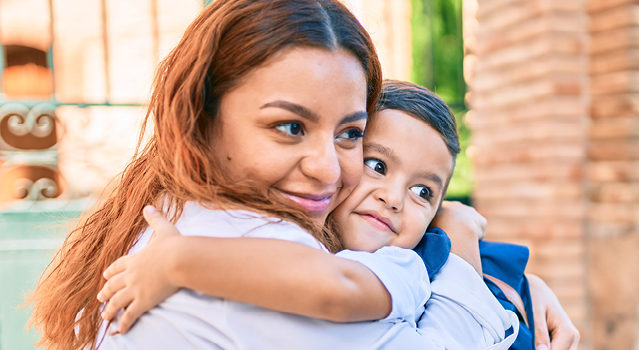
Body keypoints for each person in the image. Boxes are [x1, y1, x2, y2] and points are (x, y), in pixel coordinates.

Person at [28, 0, 578, 349]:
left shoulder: (198, 219)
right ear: (201, 116)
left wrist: (515, 286)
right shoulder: (240, 248)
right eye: (290, 127)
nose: (327, 169)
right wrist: (462, 246)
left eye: (348, 134)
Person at [96, 79, 519, 349]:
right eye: (376, 165)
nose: (393, 198)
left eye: (422, 191)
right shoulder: (264, 237)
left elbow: (335, 288)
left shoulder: (402, 264)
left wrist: (179, 261)